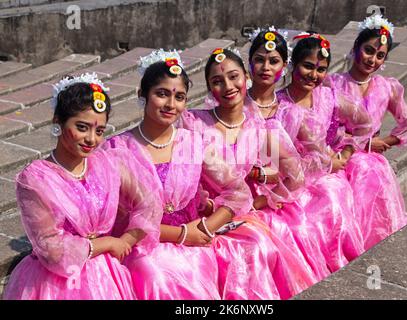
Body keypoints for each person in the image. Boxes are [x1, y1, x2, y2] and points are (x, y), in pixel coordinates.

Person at [104, 49, 313, 300]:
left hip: (194, 241)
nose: (171, 104)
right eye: (162, 94)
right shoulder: (117, 148)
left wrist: (205, 227)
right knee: (155, 275)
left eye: (179, 96)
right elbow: (120, 218)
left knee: (255, 249)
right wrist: (182, 234)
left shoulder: (192, 143)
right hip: (143, 247)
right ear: (142, 95)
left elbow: (237, 192)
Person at [3, 73, 162, 300]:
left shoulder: (108, 162)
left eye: (99, 131)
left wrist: (126, 241)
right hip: (54, 282)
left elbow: (150, 201)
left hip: (106, 275)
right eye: (82, 127)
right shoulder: (35, 179)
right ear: (58, 122)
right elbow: (52, 249)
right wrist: (107, 242)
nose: (91, 139)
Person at [275, 31, 372, 272]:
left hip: (327, 172)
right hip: (290, 178)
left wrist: (346, 153)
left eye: (321, 69)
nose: (314, 75)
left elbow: (364, 124)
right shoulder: (278, 103)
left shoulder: (328, 96)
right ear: (293, 65)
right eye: (308, 66)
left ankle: (341, 264)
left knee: (333, 193)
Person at [326, 15, 407, 249]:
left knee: (369, 175)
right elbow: (326, 130)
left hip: (372, 162)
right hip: (339, 156)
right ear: (356, 47)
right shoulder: (333, 84)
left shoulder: (387, 87)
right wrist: (364, 144)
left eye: (380, 56)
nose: (372, 59)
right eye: (369, 50)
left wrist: (385, 141)